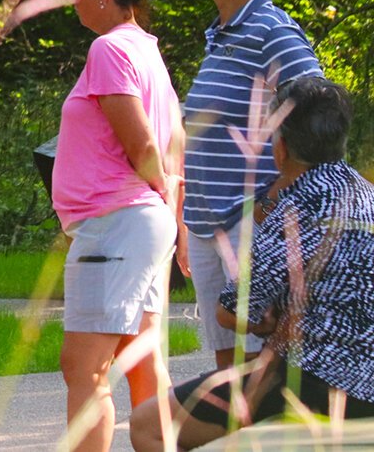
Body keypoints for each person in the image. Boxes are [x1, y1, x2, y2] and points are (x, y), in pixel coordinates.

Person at [129, 77, 374, 450]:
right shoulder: (366, 196)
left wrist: (264, 320)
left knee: (149, 425)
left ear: (281, 149)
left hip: (311, 380)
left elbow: (231, 310)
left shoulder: (291, 211)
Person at [176, 0, 322, 368]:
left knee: (260, 374)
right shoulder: (220, 35)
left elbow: (320, 116)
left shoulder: (270, 30)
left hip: (249, 229)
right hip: (206, 227)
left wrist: (272, 203)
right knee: (228, 375)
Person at [55, 0, 183, 452]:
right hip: (143, 224)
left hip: (117, 224)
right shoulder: (148, 51)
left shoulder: (108, 50)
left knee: (84, 368)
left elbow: (145, 146)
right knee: (144, 366)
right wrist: (172, 222)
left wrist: (156, 204)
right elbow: (175, 150)